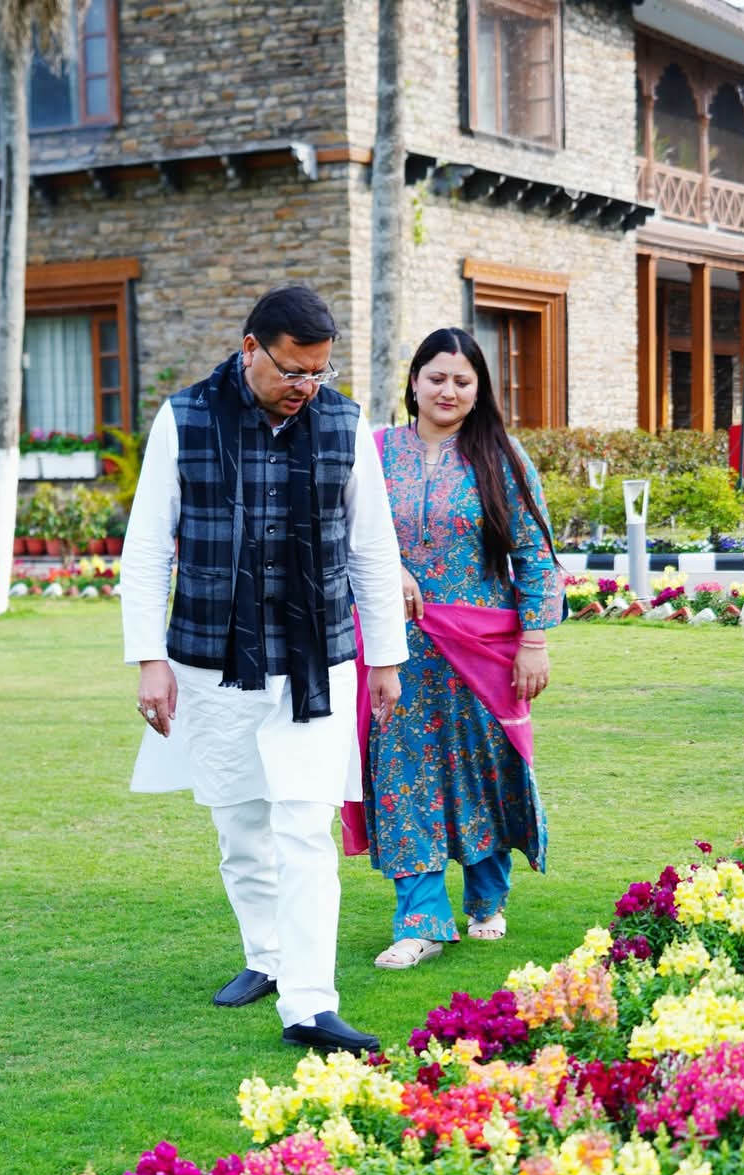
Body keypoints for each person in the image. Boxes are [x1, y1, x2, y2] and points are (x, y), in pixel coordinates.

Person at [121, 285, 408, 1053]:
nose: (305, 385)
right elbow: (147, 547)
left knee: (306, 825)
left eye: (318, 372)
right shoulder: (183, 418)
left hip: (318, 660)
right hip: (213, 657)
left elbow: (373, 547)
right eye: (291, 369)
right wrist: (150, 659)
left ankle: (309, 1003)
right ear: (250, 348)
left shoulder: (344, 423)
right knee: (241, 822)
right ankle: (267, 956)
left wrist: (386, 659)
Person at [345, 326, 562, 968]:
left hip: (484, 648)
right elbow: (345, 531)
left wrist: (534, 641)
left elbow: (536, 554)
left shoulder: (501, 456)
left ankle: (487, 900)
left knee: (483, 771)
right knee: (400, 774)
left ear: (478, 389)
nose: (448, 390)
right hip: (396, 651)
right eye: (436, 377)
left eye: (462, 381)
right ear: (413, 382)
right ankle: (420, 922)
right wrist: (390, 569)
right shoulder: (376, 452)